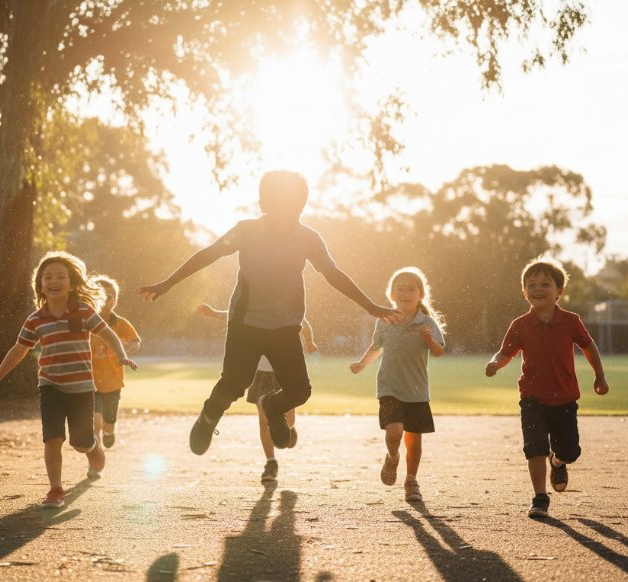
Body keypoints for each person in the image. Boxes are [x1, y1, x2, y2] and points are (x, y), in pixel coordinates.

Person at [139, 170, 401, 456]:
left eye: (294, 207)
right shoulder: (246, 230)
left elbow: (332, 273)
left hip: (285, 328)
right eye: (279, 206)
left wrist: (370, 306)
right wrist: (168, 283)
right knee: (235, 384)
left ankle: (273, 408)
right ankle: (208, 416)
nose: (286, 214)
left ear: (301, 207)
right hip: (246, 324)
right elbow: (209, 254)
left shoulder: (308, 238)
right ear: (263, 204)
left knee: (300, 391)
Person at [0, 251, 138, 509]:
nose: (54, 280)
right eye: (48, 276)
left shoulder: (83, 312)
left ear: (72, 283)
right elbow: (19, 349)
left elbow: (108, 333)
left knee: (80, 442)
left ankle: (91, 446)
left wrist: (121, 355)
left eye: (61, 276)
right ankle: (55, 489)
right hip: (50, 386)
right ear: (40, 284)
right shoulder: (35, 319)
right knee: (52, 438)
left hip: (82, 389)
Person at [485, 257, 609, 519]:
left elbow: (588, 347)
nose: (537, 289)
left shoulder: (571, 321)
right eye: (531, 285)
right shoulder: (520, 324)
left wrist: (600, 376)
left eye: (545, 284)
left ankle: (558, 462)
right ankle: (540, 497)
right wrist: (496, 363)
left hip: (564, 399)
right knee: (535, 447)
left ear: (559, 291)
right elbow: (505, 352)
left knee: (570, 451)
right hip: (532, 399)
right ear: (524, 292)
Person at [349, 267, 445, 503]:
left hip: (417, 389)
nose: (405, 293)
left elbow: (439, 351)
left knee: (414, 439)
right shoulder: (385, 321)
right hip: (389, 386)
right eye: (399, 289)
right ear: (391, 295)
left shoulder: (427, 322)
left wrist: (428, 338)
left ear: (420, 294)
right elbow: (376, 347)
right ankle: (392, 456)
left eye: (411, 289)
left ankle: (411, 480)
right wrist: (362, 364)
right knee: (394, 432)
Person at [196, 304, 318, 483]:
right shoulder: (253, 306)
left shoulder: (286, 304)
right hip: (260, 372)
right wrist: (214, 313)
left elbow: (302, 323)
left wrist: (309, 341)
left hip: (282, 370)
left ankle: (289, 428)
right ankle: (271, 463)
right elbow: (235, 314)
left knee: (289, 418)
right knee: (263, 421)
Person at [89, 275, 141, 449]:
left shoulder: (119, 323)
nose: (105, 299)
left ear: (115, 301)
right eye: (101, 295)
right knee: (95, 418)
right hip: (90, 381)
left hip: (113, 381)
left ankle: (109, 431)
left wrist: (129, 347)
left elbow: (135, 341)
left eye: (109, 296)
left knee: (108, 422)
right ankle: (95, 453)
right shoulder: (85, 322)